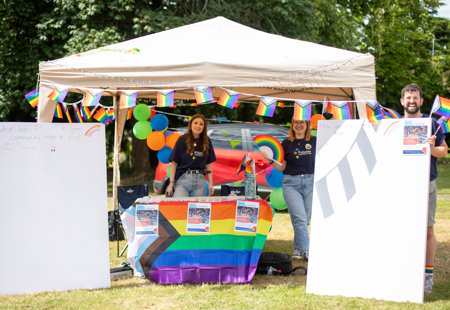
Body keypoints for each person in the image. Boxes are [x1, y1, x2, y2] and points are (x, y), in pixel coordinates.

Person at [400, 83, 448, 293]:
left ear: (421, 101)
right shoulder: (394, 125)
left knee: (427, 230)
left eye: (415, 98)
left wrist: (431, 147)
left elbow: (443, 152)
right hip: (401, 183)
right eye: (408, 98)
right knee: (402, 228)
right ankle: (404, 272)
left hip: (426, 182)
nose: (412, 101)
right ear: (402, 101)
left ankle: (427, 277)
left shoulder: (433, 123)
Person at [262, 118, 316, 261]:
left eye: (302, 123)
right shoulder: (286, 144)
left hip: (311, 182)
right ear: (292, 126)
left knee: (306, 219)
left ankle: (298, 248)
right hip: (291, 183)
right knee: (299, 217)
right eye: (296, 123)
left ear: (307, 125)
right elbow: (282, 167)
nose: (299, 125)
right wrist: (271, 160)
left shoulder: (315, 141)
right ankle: (306, 250)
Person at [166, 114, 216, 197]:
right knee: (180, 207)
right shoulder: (182, 140)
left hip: (200, 182)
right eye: (195, 123)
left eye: (201, 124)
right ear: (191, 124)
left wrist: (211, 183)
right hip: (183, 180)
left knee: (196, 209)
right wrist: (171, 183)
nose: (198, 126)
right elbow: (174, 163)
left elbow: (208, 165)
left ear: (204, 127)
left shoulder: (206, 141)